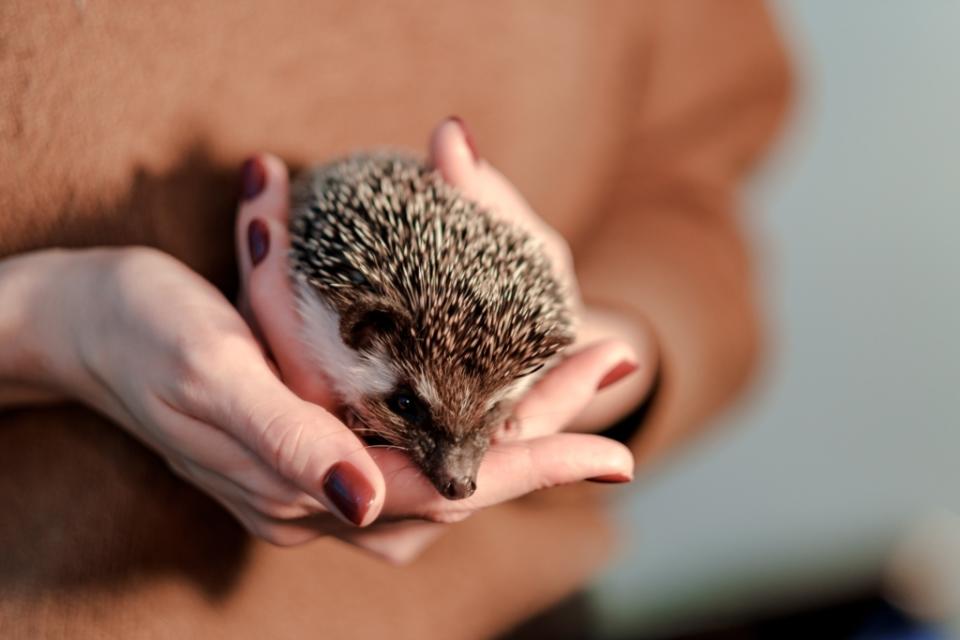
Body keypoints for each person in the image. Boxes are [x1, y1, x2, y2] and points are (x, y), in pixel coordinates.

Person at [0, 1, 790, 637]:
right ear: (362, 333)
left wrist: (617, 351)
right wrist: (48, 327)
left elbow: (688, 200)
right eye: (410, 408)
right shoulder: (358, 307)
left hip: (512, 617)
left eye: (481, 423)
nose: (458, 473)